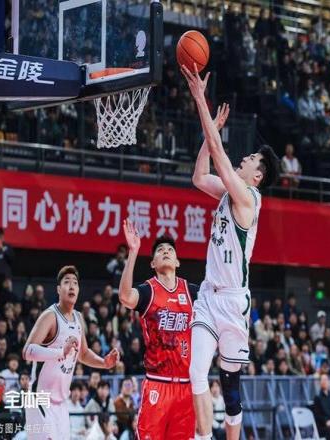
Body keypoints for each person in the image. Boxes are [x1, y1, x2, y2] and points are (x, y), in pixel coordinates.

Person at [181, 64, 278, 440]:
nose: (244, 159)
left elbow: (221, 160)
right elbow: (199, 176)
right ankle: (204, 437)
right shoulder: (229, 192)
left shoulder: (249, 198)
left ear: (257, 175)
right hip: (209, 296)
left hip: (234, 303)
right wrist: (210, 137)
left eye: (251, 159)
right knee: (196, 372)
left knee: (230, 386)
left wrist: (200, 101)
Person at [119, 222, 197, 439]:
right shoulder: (148, 291)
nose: (166, 251)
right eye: (160, 250)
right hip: (157, 383)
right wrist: (133, 252)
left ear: (177, 261)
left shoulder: (192, 292)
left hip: (186, 386)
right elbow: (125, 297)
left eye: (170, 249)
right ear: (153, 263)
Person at [22, 266, 119, 440]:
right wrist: (61, 351)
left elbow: (83, 354)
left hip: (61, 403)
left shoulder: (79, 318)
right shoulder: (49, 316)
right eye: (67, 282)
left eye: (75, 283)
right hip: (39, 399)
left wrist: (104, 363)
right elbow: (27, 351)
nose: (72, 286)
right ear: (58, 289)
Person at [314, 373, 330, 439]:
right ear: (320, 383)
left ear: (329, 382)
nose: (324, 382)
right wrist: (326, 421)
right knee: (329, 429)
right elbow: (317, 415)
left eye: (325, 380)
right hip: (323, 425)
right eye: (322, 380)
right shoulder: (317, 398)